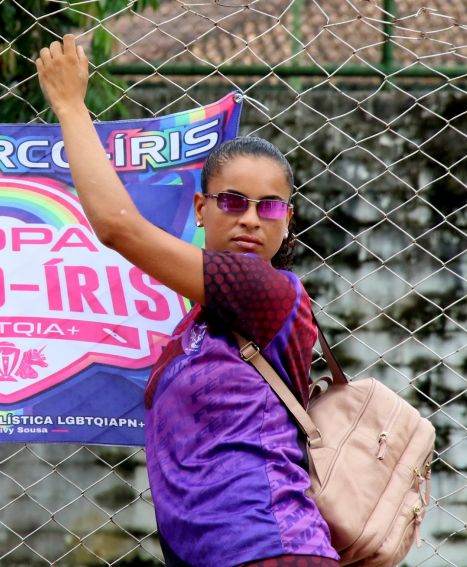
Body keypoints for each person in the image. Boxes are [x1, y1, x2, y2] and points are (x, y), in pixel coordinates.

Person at [36, 36, 340, 567]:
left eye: (269, 207)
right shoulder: (193, 326)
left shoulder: (271, 293)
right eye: (232, 201)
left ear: (287, 220)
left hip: (271, 550)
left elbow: (118, 228)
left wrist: (69, 105)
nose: (250, 218)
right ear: (201, 209)